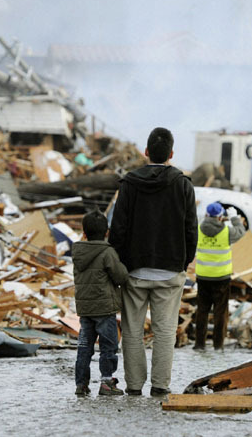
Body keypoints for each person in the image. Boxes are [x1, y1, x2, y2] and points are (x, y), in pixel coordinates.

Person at [108, 127, 198, 397]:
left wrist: (120, 264)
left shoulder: (129, 184)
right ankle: (160, 386)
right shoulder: (183, 185)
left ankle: (134, 386)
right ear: (171, 154)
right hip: (170, 271)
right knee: (165, 332)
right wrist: (184, 260)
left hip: (135, 271)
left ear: (146, 152)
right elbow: (190, 228)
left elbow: (119, 229)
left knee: (133, 332)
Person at [73, 210, 129, 397]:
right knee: (108, 347)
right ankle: (106, 381)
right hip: (104, 308)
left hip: (85, 308)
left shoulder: (78, 252)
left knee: (84, 347)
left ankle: (81, 384)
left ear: (85, 232)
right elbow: (120, 276)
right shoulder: (107, 252)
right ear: (106, 232)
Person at [193, 202, 245, 351]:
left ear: (207, 215)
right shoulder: (227, 231)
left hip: (203, 277)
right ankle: (218, 345)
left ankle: (199, 344)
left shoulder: (198, 230)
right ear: (220, 217)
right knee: (220, 313)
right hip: (221, 278)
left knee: (202, 310)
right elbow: (241, 232)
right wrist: (234, 218)